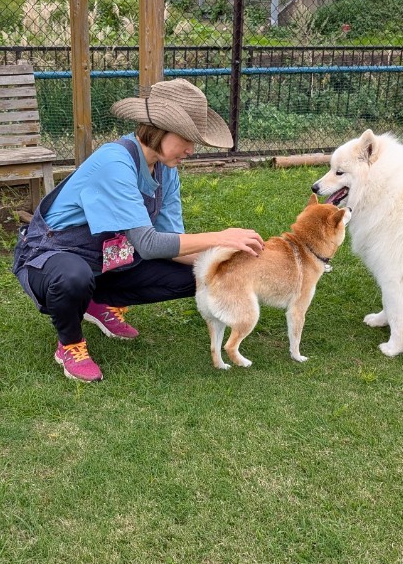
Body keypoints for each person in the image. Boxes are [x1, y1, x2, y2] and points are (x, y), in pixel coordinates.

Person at [13, 78, 264, 382]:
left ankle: (96, 302)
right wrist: (222, 238)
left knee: (204, 273)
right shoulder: (115, 162)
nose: (191, 150)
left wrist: (231, 260)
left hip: (107, 262)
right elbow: (148, 244)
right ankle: (70, 344)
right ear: (159, 129)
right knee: (73, 277)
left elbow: (172, 243)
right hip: (51, 257)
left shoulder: (166, 171)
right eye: (186, 139)